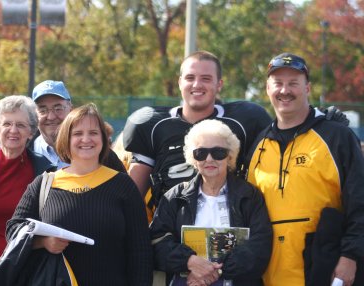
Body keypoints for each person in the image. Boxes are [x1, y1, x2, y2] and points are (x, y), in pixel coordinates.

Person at [246, 53, 364, 286]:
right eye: (278, 83)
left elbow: (360, 201)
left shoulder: (336, 136)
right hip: (268, 274)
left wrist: (351, 256)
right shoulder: (258, 145)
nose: (285, 90)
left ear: (307, 87)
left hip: (325, 270)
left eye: (293, 83)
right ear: (268, 88)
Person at [7, 103, 153, 285]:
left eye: (93, 133)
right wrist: (42, 241)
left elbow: (140, 251)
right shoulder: (44, 183)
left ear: (104, 138)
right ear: (65, 139)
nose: (86, 139)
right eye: (77, 134)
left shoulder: (123, 185)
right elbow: (13, 230)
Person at [123, 50, 272, 206]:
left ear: (219, 84)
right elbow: (132, 198)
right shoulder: (153, 125)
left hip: (228, 223)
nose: (197, 84)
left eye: (206, 79)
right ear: (180, 82)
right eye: (190, 78)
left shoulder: (245, 120)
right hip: (170, 224)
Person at [150, 119, 272, 286]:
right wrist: (190, 262)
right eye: (201, 153)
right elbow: (156, 241)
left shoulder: (250, 196)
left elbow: (261, 244)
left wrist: (215, 271)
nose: (209, 159)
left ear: (230, 157)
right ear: (193, 158)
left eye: (218, 152)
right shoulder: (174, 197)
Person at [0, 95, 55, 285]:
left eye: (21, 125)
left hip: (27, 270)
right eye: (7, 124)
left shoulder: (46, 171)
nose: (13, 130)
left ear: (31, 131)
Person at [31, 79, 126, 172]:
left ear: (71, 109)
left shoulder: (101, 154)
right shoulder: (24, 154)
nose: (51, 117)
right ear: (34, 114)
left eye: (58, 108)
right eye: (43, 110)